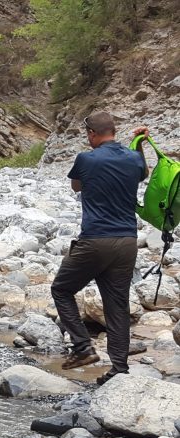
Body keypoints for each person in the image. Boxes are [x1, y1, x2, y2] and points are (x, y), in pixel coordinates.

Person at [50, 113, 149, 385]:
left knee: (61, 289)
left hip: (95, 240)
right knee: (117, 306)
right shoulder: (132, 157)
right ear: (114, 131)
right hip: (127, 242)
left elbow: (76, 186)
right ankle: (119, 370)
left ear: (92, 133)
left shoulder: (86, 159)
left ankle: (83, 347)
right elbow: (143, 174)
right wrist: (138, 144)